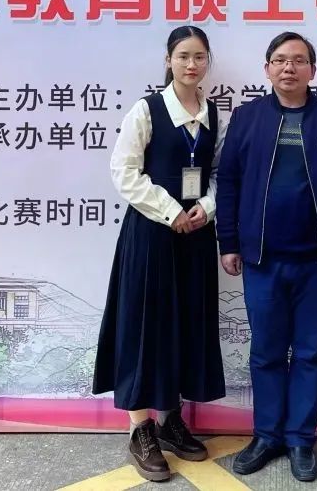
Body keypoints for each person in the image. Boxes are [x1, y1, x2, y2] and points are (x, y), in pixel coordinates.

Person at [216, 31, 317, 483]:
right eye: (280, 60)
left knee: (311, 353)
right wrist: (228, 242)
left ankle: (301, 439)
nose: (289, 68)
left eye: (299, 60)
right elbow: (228, 183)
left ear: (312, 71)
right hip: (262, 260)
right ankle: (267, 436)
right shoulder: (247, 118)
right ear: (267, 68)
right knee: (265, 352)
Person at [93, 26, 226, 483]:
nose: (192, 64)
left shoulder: (213, 114)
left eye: (200, 56)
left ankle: (170, 421)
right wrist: (171, 211)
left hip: (195, 237)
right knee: (144, 326)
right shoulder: (146, 110)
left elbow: (221, 173)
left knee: (184, 325)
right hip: (152, 235)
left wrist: (205, 207)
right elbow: (124, 172)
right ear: (168, 60)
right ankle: (141, 430)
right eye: (183, 56)